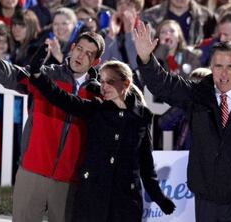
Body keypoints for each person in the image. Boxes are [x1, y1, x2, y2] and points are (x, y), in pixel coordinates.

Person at [0, 31, 105, 222]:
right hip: (33, 170)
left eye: (89, 53)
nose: (81, 55)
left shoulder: (98, 92)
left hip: (69, 180)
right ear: (71, 48)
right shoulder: (47, 74)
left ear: (96, 61)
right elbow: (14, 75)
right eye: (79, 49)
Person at [134, 22, 231, 222]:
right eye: (218, 66)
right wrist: (147, 59)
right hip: (206, 197)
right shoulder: (197, 94)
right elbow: (164, 85)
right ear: (210, 67)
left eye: (230, 67)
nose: (223, 73)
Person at [29, 60, 176, 221]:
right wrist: (38, 75)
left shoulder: (142, 116)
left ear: (125, 83)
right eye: (102, 81)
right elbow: (62, 99)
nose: (103, 86)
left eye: (109, 82)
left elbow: (146, 164)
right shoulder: (96, 109)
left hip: (125, 201)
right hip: (93, 197)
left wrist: (159, 198)